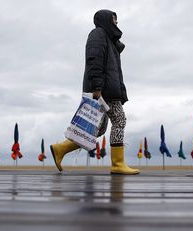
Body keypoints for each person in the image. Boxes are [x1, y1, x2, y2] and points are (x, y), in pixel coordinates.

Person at [50, 9, 140, 175]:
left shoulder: (109, 40)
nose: (117, 24)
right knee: (119, 120)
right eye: (114, 20)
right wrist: (97, 88)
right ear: (106, 20)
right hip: (103, 91)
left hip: (106, 89)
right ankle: (118, 164)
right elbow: (94, 61)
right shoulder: (98, 34)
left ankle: (60, 149)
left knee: (98, 130)